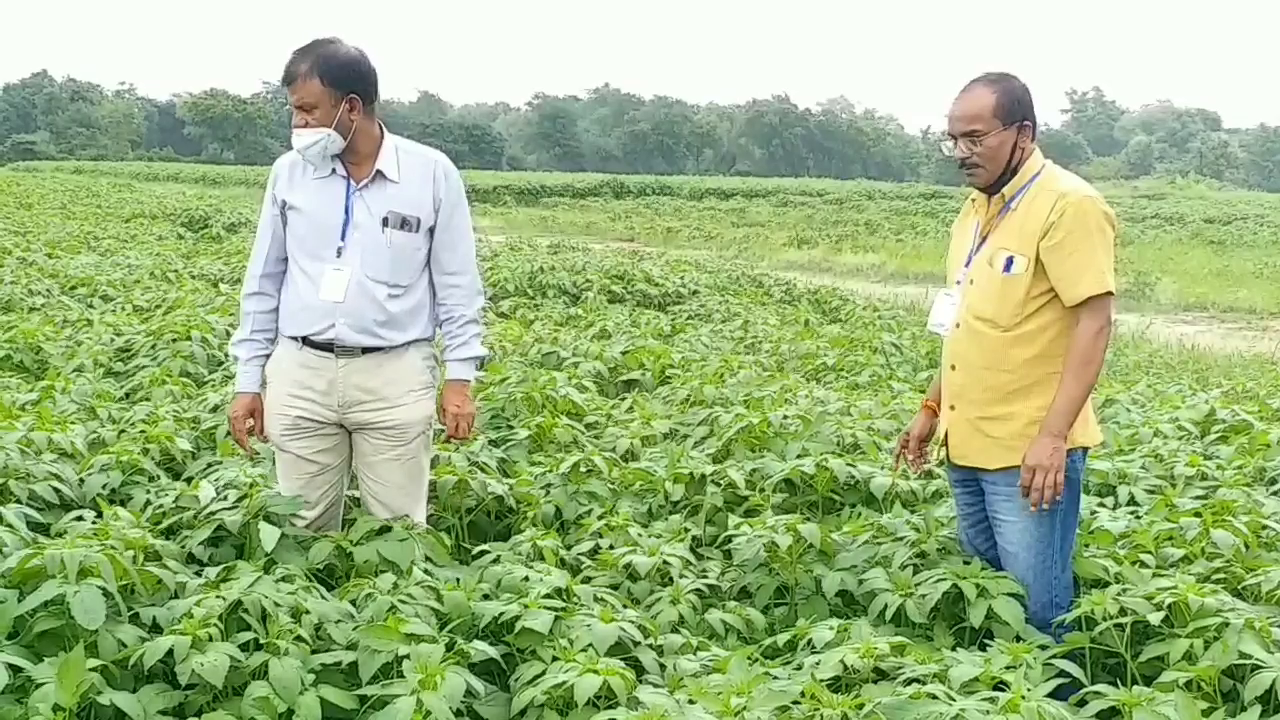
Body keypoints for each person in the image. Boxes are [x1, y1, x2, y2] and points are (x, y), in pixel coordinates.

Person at [227, 37, 488, 533]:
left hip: (393, 374)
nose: (298, 125)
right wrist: (248, 380)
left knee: (397, 531)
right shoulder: (289, 175)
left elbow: (457, 285)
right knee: (300, 529)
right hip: (301, 372)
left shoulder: (431, 175)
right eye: (294, 112)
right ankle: (300, 610)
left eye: (307, 110)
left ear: (351, 107)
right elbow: (263, 282)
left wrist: (459, 378)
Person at [894, 72, 1116, 643]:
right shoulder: (974, 210)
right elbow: (966, 321)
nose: (961, 154)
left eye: (975, 138)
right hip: (966, 442)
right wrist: (931, 407)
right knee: (992, 604)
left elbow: (1094, 323)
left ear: (1023, 133)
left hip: (1028, 456)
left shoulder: (1068, 205)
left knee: (1037, 613)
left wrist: (1053, 438)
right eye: (953, 140)